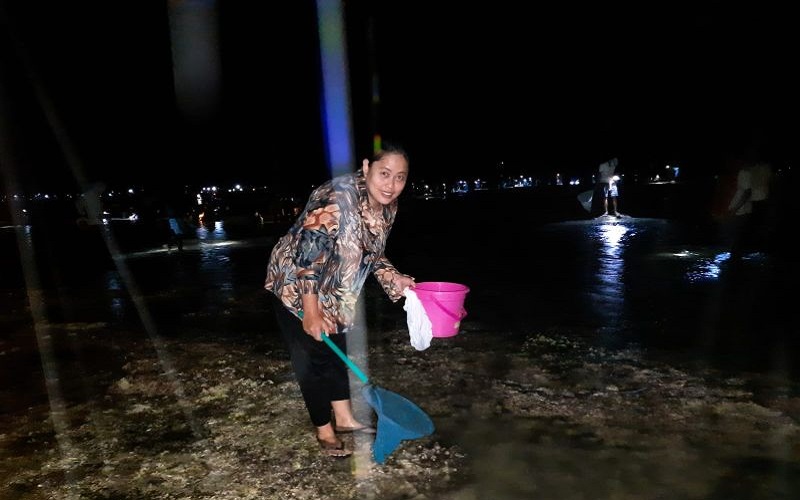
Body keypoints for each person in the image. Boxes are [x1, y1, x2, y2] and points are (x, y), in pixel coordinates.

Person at [264, 143, 417, 458]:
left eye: (400, 177)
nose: (391, 185)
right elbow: (307, 256)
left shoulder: (387, 206)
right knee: (312, 359)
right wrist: (310, 311)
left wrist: (395, 279)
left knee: (337, 350)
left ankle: (345, 419)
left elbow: (372, 253)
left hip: (337, 288)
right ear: (367, 167)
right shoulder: (338, 198)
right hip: (297, 284)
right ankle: (324, 430)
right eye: (384, 174)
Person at [727, 152, 774, 260]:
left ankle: (737, 256)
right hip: (749, 206)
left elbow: (747, 192)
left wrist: (735, 208)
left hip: (744, 208)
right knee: (742, 234)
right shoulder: (752, 171)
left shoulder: (745, 172)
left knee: (738, 236)